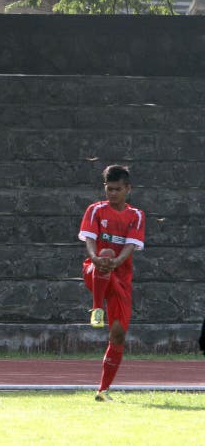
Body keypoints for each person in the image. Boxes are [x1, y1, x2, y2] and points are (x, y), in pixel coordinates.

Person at [78, 164, 145, 402]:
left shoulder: (135, 215)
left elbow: (130, 246)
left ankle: (103, 391)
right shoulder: (95, 210)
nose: (112, 193)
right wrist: (96, 258)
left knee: (118, 335)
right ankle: (97, 308)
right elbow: (89, 240)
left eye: (117, 189)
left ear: (128, 188)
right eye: (109, 189)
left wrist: (116, 261)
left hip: (120, 277)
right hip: (94, 270)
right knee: (104, 253)